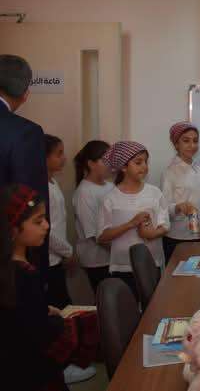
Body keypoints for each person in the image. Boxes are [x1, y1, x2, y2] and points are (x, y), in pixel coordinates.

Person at [3, 183, 97, 389]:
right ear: (13, 229)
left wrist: (42, 310)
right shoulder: (23, 276)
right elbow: (39, 335)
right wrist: (73, 324)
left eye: (45, 219)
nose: (46, 226)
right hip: (31, 373)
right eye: (38, 221)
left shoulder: (15, 268)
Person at [97, 141, 169, 299]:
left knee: (152, 307)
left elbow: (165, 225)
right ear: (123, 167)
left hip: (152, 264)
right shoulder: (110, 199)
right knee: (127, 309)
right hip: (123, 267)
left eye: (146, 162)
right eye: (138, 162)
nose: (144, 166)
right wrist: (131, 224)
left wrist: (152, 234)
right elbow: (102, 236)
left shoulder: (154, 193)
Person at [0, 54, 50, 278]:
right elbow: (30, 203)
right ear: (25, 93)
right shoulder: (24, 133)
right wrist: (38, 267)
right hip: (8, 257)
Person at [161, 122, 200, 261]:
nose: (192, 145)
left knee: (197, 272)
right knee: (177, 274)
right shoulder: (169, 172)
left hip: (199, 234)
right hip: (176, 237)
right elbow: (164, 207)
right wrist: (179, 207)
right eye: (186, 141)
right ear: (176, 144)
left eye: (195, 141)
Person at [72, 140, 113, 294]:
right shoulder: (84, 193)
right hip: (97, 260)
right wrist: (121, 251)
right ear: (91, 164)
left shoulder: (110, 186)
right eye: (105, 160)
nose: (110, 164)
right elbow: (95, 235)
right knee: (106, 300)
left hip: (112, 256)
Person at [45, 134, 74, 309]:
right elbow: (47, 229)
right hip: (48, 258)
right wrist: (67, 252)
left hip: (57, 256)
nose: (64, 158)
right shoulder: (42, 187)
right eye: (59, 153)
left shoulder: (53, 182)